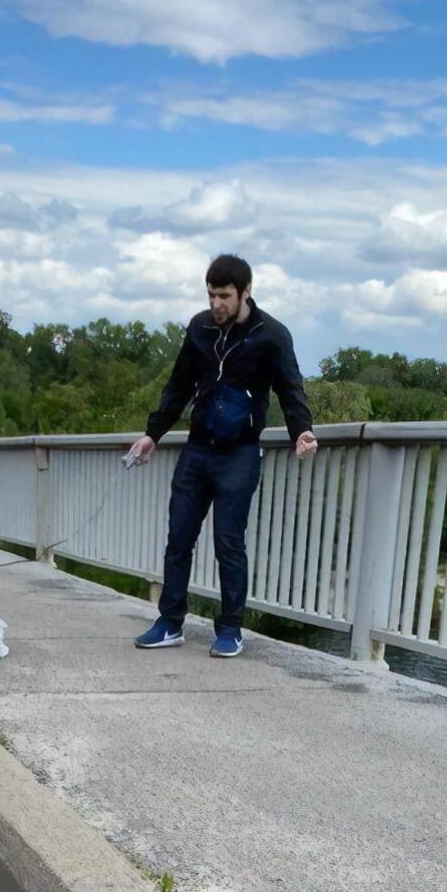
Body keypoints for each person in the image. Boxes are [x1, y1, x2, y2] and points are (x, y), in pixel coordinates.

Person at [128, 254, 317, 658]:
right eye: (211, 294)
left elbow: (290, 389)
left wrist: (302, 430)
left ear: (245, 293)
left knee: (229, 543)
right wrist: (152, 434)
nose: (217, 304)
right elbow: (178, 384)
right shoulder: (199, 328)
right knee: (178, 539)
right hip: (197, 451)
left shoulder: (271, 335)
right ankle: (170, 622)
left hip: (240, 454)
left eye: (225, 296)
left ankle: (230, 629)